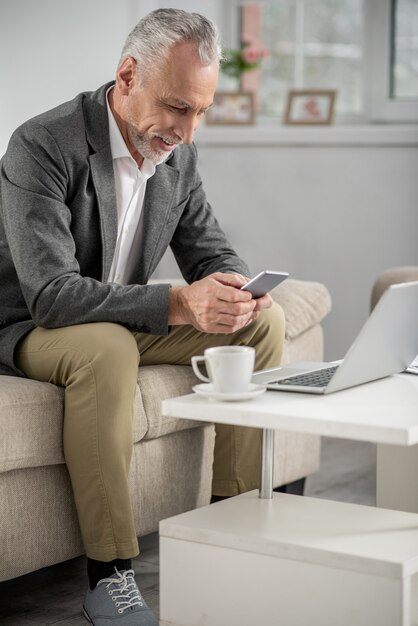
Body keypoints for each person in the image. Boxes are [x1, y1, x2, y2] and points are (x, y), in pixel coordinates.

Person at [0, 8, 284, 625]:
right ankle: (111, 576)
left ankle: (230, 531)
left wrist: (235, 286)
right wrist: (180, 302)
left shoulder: (177, 157)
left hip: (112, 318)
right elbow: (51, 293)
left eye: (201, 112)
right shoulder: (40, 145)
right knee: (107, 348)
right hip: (29, 325)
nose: (187, 129)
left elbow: (208, 249)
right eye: (178, 107)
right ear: (127, 75)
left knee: (264, 324)